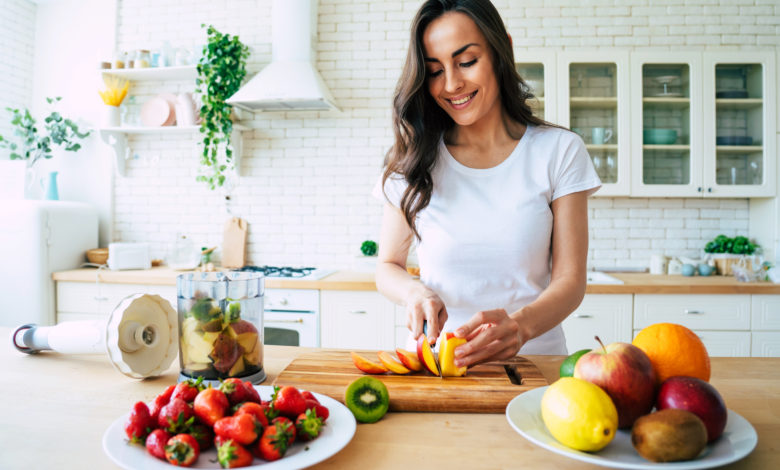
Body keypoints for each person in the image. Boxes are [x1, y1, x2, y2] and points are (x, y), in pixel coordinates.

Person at [372, 0, 601, 368]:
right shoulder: (412, 159)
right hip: (438, 365)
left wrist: (520, 328)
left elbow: (570, 281)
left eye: (466, 62)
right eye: (434, 71)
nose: (451, 84)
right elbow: (387, 266)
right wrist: (414, 292)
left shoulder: (558, 151)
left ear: (502, 50)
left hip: (534, 366)